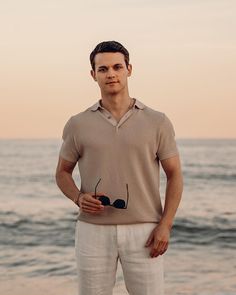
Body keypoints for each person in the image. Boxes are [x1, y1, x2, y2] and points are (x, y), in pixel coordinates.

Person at [55, 40, 183, 295]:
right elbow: (62, 172)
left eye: (117, 67)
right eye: (102, 69)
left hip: (145, 231)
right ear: (93, 75)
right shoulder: (78, 124)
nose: (111, 74)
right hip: (92, 231)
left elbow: (175, 174)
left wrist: (165, 225)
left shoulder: (157, 121)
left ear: (129, 69)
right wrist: (78, 197)